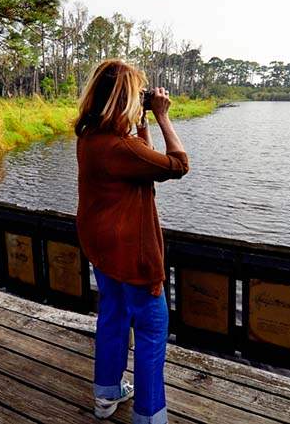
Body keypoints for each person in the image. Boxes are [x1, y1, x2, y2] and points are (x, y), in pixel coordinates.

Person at [74, 59, 189, 423]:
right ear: (124, 97)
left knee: (113, 315)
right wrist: (162, 116)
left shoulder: (91, 136)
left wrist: (140, 121)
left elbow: (147, 164)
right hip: (132, 255)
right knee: (153, 332)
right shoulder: (119, 148)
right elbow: (176, 164)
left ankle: (106, 395)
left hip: (103, 248)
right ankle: (149, 416)